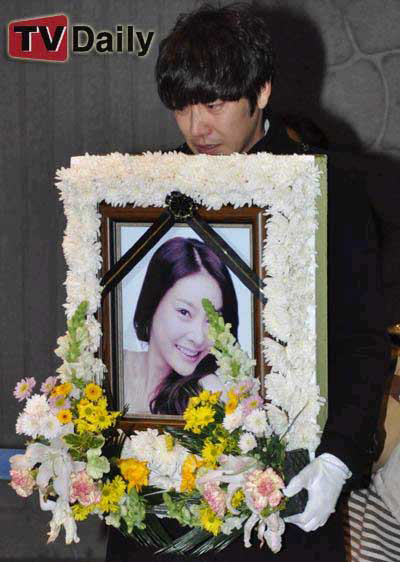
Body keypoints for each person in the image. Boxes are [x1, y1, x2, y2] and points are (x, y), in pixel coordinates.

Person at [107, 4, 391, 561]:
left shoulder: (328, 188)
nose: (197, 128)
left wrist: (336, 460)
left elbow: (362, 342)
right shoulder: (148, 188)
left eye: (213, 105)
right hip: (159, 496)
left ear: (260, 92)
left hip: (281, 492)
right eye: (182, 108)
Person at [123, 236, 238, 415]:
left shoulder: (210, 394)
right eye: (184, 312)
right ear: (152, 303)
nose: (199, 338)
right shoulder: (105, 368)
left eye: (212, 320)